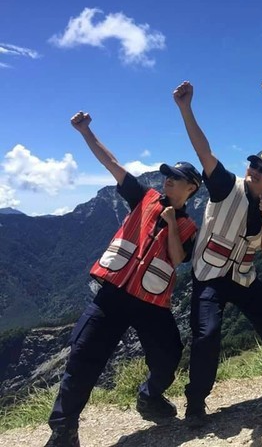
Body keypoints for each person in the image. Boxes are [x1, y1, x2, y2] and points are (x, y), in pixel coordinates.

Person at [45, 112, 201, 447]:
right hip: (112, 295)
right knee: (83, 356)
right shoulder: (142, 197)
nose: (168, 181)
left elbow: (177, 259)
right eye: (167, 176)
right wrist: (86, 131)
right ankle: (63, 430)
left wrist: (172, 222)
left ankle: (149, 396)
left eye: (176, 178)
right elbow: (111, 162)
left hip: (151, 302)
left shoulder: (189, 227)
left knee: (169, 354)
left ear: (191, 188)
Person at [173, 81, 262, 426]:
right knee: (208, 333)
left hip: (243, 276)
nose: (255, 171)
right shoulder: (226, 186)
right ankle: (196, 402)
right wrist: (186, 109)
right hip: (210, 276)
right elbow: (204, 153)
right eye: (254, 166)